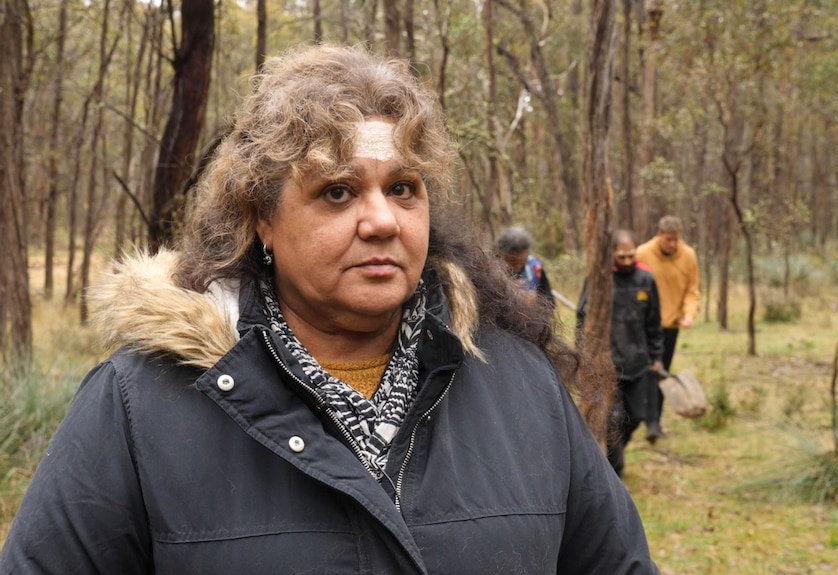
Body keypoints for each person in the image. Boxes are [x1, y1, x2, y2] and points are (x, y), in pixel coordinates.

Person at [0, 46, 658, 574]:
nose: (380, 219)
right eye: (338, 192)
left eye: (403, 188)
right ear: (262, 217)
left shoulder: (520, 383)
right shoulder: (137, 406)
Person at [577, 230, 663, 476]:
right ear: (611, 254)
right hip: (607, 364)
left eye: (631, 256)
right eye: (621, 256)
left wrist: (656, 356)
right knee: (613, 418)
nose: (626, 261)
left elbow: (654, 322)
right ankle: (615, 471)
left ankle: (617, 452)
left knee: (636, 416)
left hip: (638, 362)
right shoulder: (598, 280)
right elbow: (582, 319)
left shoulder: (646, 279)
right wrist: (583, 355)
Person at [636, 215, 700, 442]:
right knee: (642, 374)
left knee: (661, 372)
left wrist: (689, 314)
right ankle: (641, 418)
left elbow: (692, 289)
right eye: (668, 240)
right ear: (658, 235)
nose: (672, 244)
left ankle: (655, 423)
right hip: (643, 326)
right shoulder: (642, 253)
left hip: (670, 326)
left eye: (676, 240)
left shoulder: (689, 255)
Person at [493, 226, 555, 306]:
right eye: (513, 261)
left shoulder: (535, 268)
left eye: (522, 261)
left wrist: (537, 302)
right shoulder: (492, 271)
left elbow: (549, 300)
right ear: (501, 255)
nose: (518, 265)